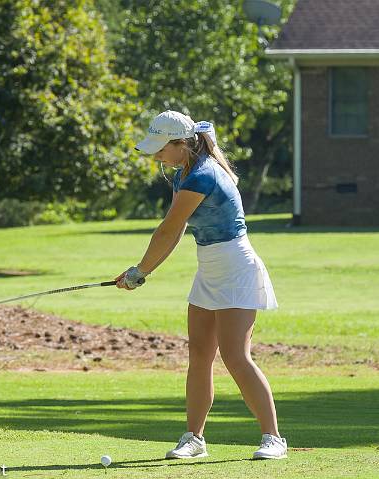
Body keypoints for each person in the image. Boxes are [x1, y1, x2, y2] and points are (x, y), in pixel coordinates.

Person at [115, 110, 287, 460]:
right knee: (200, 355)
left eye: (162, 148)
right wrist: (141, 270)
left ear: (182, 144)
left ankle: (274, 438)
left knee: (235, 356)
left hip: (236, 267)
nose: (157, 156)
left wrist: (139, 272)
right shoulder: (185, 173)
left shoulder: (202, 175)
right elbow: (173, 232)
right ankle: (194, 438)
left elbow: (168, 230)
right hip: (209, 267)